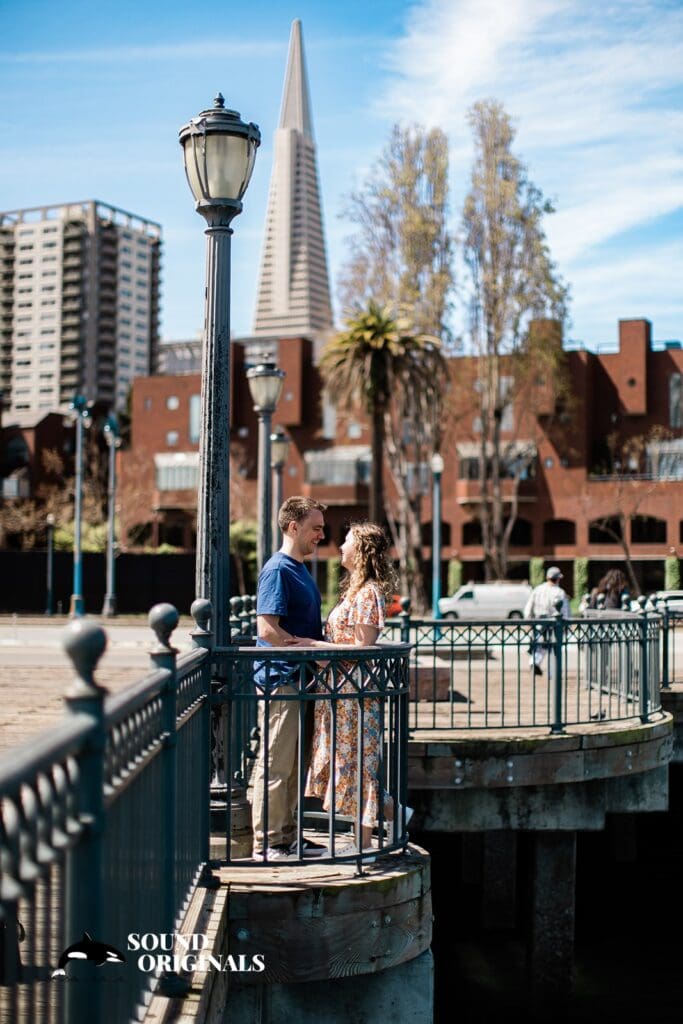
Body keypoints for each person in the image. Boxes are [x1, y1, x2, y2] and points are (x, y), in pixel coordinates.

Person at [294, 522, 412, 853]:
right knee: (349, 763)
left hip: (354, 694)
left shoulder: (368, 593)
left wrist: (315, 647)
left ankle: (362, 846)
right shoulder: (355, 591)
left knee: (359, 766)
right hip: (340, 692)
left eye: (346, 541)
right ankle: (396, 815)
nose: (340, 547)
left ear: (360, 551)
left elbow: (363, 649)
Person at [250, 495, 329, 862]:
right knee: (276, 763)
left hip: (300, 679)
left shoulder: (299, 569)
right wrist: (304, 647)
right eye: (315, 528)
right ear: (293, 527)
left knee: (294, 764)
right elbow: (266, 629)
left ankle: (288, 836)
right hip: (281, 678)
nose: (321, 535)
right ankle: (267, 843)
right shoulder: (278, 569)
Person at [524, 566, 570, 676]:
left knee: (539, 645)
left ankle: (534, 662)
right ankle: (552, 672)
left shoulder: (538, 589)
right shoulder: (560, 592)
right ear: (558, 579)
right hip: (554, 623)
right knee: (553, 648)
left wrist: (528, 621)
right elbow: (565, 611)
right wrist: (567, 624)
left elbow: (529, 607)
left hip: (539, 621)